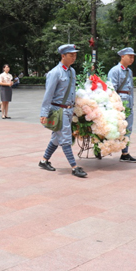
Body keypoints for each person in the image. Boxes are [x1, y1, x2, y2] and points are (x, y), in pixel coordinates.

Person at [39, 44, 87, 178]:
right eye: (71, 55)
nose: (74, 58)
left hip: (68, 110)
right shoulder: (55, 72)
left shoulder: (72, 71)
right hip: (58, 110)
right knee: (65, 138)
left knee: (56, 138)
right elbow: (48, 95)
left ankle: (44, 160)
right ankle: (74, 167)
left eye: (75, 55)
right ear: (63, 56)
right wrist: (44, 113)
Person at [108, 47, 136, 163]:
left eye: (133, 57)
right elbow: (111, 89)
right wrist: (114, 106)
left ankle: (125, 153)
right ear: (122, 57)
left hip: (128, 103)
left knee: (128, 128)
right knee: (117, 129)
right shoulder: (115, 71)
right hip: (119, 104)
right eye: (130, 57)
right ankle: (104, 149)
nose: (132, 59)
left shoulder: (129, 71)